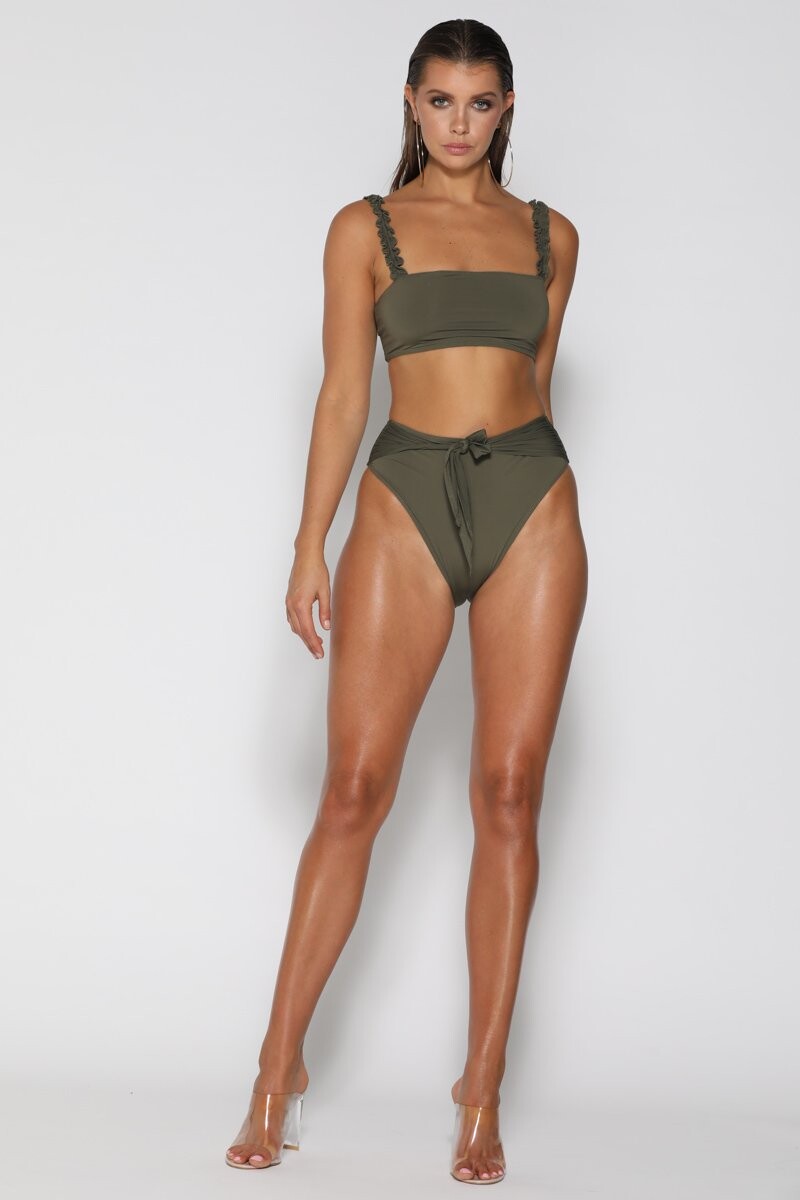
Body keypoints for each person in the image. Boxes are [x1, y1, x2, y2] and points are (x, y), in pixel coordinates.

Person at [225, 17, 588, 1184]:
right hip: (402, 497)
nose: (457, 124)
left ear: (506, 108)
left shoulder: (550, 236)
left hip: (531, 496)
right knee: (354, 790)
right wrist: (308, 545)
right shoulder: (363, 229)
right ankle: (276, 1069)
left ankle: (480, 1093)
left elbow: (534, 381)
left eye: (479, 103)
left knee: (508, 794)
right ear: (408, 101)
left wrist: (522, 480)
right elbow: (344, 393)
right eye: (439, 101)